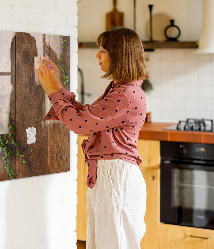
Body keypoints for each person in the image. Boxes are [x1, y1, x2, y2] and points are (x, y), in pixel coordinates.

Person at [35, 27, 149, 249]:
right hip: (111, 176)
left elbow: (79, 124)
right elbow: (87, 116)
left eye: (103, 50)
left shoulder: (125, 94)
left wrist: (51, 91)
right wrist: (57, 86)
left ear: (119, 55)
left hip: (116, 179)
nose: (97, 55)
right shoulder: (121, 89)